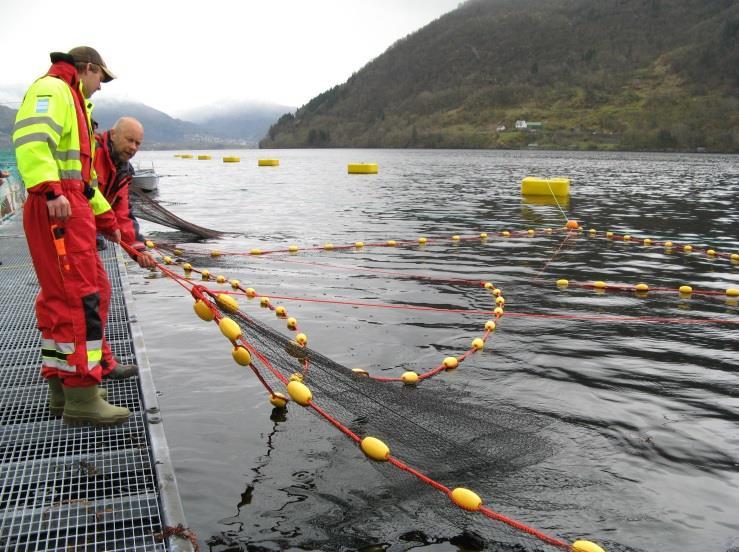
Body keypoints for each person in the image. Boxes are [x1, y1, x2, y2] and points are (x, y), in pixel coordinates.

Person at [13, 46, 131, 426]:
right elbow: (32, 140)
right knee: (80, 299)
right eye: (101, 79)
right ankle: (82, 394)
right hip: (57, 206)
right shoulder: (55, 90)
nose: (101, 87)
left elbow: (87, 185)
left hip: (68, 203)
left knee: (68, 295)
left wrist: (109, 224)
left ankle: (62, 385)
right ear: (88, 69)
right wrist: (50, 190)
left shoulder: (76, 103)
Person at [94, 117, 156, 269]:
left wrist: (138, 248)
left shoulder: (123, 171)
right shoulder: (92, 153)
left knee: (96, 287)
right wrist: (107, 223)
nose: (133, 147)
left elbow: (122, 212)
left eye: (137, 143)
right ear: (113, 134)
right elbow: (83, 194)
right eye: (129, 140)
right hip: (62, 226)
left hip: (87, 233)